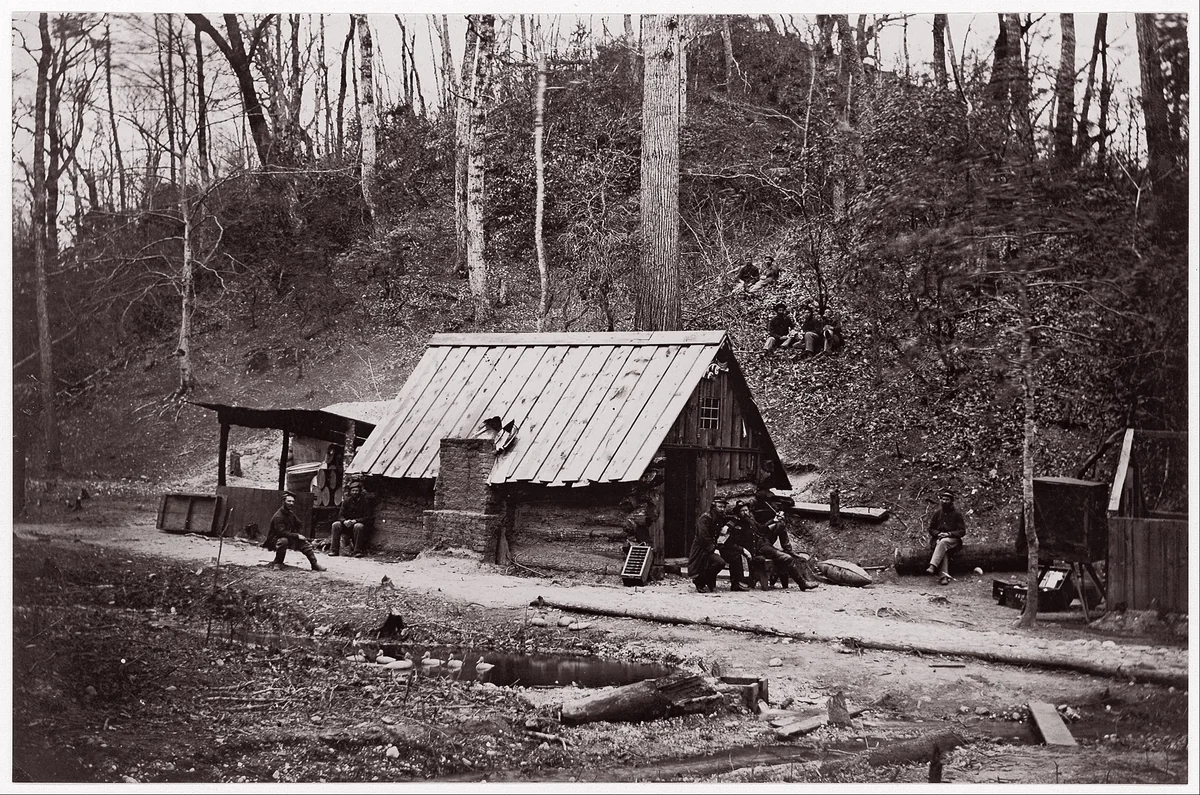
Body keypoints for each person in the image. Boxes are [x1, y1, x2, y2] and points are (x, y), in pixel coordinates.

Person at [733, 500, 819, 590]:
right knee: (787, 558)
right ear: (738, 513)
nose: (745, 513)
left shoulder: (751, 520)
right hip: (758, 550)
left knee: (780, 525)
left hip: (764, 545)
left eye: (746, 510)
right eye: (742, 511)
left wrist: (774, 520)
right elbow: (735, 543)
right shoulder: (738, 526)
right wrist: (745, 551)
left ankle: (788, 550)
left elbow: (761, 529)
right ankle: (802, 584)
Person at [263, 492, 326, 571]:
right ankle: (278, 563)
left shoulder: (290, 514)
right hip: (275, 540)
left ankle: (314, 564)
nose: (291, 503)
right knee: (283, 541)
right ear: (283, 502)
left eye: (293, 501)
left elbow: (299, 524)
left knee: (303, 543)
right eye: (289, 501)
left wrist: (298, 534)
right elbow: (281, 533)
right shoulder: (278, 516)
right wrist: (296, 535)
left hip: (289, 537)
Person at [689, 497, 740, 592]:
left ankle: (736, 584)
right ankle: (700, 581)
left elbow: (735, 519)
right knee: (720, 562)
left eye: (724, 507)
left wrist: (727, 525)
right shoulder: (705, 518)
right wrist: (714, 549)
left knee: (735, 555)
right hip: (703, 549)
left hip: (715, 547)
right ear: (713, 507)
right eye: (720, 506)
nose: (722, 509)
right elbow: (703, 538)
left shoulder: (721, 517)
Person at [926, 489, 966, 584]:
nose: (944, 501)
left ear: (951, 501)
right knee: (941, 545)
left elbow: (962, 531)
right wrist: (938, 534)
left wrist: (948, 534)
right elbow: (931, 529)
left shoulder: (957, 514)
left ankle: (932, 565)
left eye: (947, 499)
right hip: (939, 539)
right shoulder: (937, 513)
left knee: (943, 542)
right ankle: (944, 577)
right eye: (943, 499)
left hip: (953, 540)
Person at [330, 478, 375, 557]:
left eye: (357, 491)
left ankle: (357, 551)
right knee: (335, 524)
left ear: (360, 491)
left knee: (359, 526)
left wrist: (355, 521)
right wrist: (344, 521)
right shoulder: (347, 501)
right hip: (347, 525)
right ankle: (334, 550)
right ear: (350, 491)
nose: (355, 492)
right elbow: (340, 515)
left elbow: (367, 517)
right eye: (353, 491)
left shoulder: (365, 502)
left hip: (359, 527)